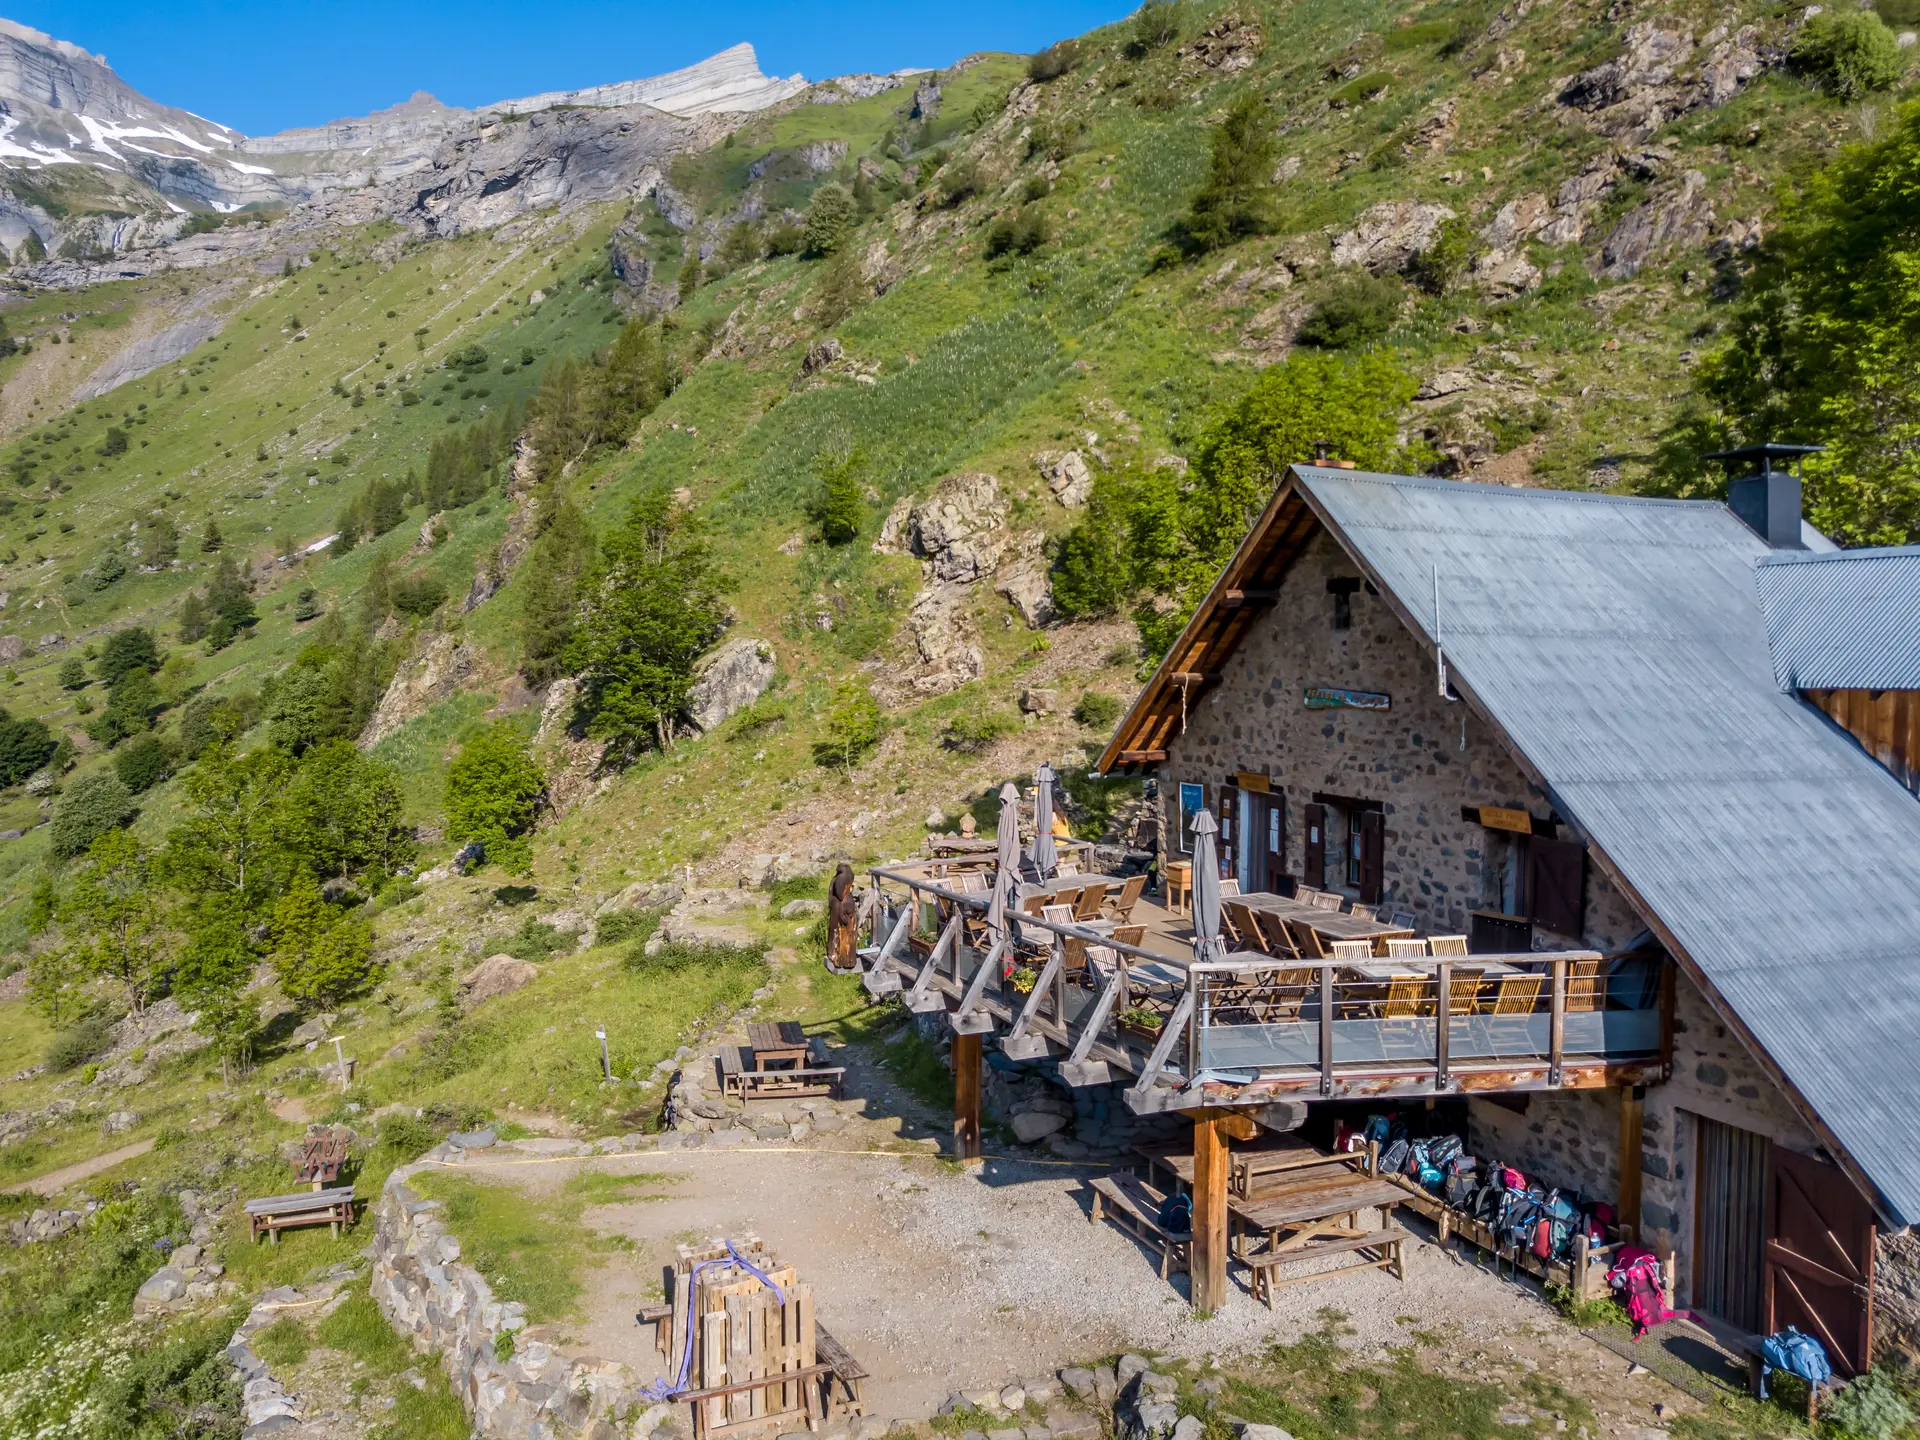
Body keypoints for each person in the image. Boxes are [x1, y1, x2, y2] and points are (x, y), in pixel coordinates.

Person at [827, 861, 859, 972]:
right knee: (842, 934)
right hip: (843, 906)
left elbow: (839, 895)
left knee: (837, 933)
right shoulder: (846, 877)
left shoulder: (840, 878)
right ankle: (844, 958)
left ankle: (840, 957)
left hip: (840, 906)